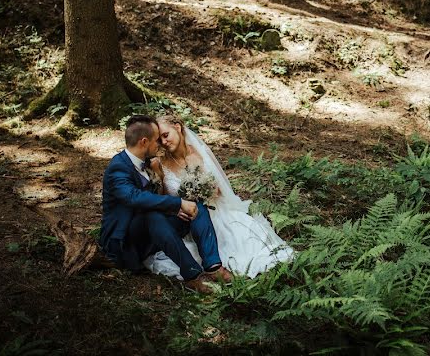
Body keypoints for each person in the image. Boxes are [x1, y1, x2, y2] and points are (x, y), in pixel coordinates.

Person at [143, 114, 294, 279]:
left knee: (241, 243)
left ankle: (214, 266)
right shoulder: (159, 164)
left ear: (178, 127)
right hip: (184, 220)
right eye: (159, 140)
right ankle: (209, 266)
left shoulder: (199, 154)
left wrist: (203, 189)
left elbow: (219, 189)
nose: (164, 142)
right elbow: (163, 197)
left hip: (213, 212)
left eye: (166, 135)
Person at [99, 115, 231, 293]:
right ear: (144, 142)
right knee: (153, 215)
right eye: (156, 140)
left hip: (153, 231)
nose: (159, 144)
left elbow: (154, 197)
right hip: (126, 241)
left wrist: (178, 207)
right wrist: (176, 204)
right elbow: (134, 198)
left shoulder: (146, 162)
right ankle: (192, 275)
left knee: (195, 206)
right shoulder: (118, 167)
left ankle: (213, 266)